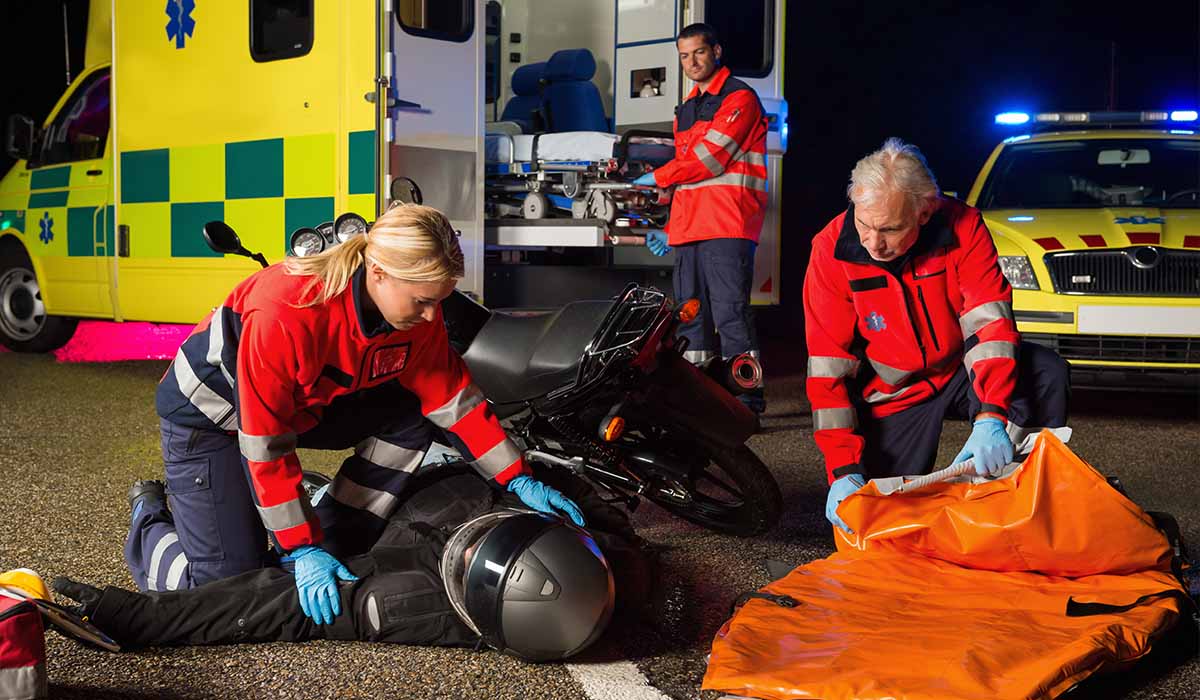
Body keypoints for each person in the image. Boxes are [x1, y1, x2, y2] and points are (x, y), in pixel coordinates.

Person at [126, 203, 585, 628]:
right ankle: (149, 515)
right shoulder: (286, 312)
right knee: (224, 587)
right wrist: (301, 548)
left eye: (439, 301)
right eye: (421, 302)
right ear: (379, 273)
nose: (431, 318)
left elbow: (453, 400)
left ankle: (334, 521)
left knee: (410, 413)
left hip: (302, 408)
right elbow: (265, 442)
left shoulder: (415, 315)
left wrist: (516, 476)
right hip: (211, 418)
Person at [58, 467, 653, 661]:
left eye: (472, 563)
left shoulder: (410, 604)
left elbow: (267, 605)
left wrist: (130, 617)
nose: (466, 549)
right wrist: (534, 482)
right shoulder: (589, 554)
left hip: (373, 541)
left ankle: (147, 514)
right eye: (488, 540)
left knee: (202, 578)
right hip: (405, 483)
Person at [803, 138, 1070, 533]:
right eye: (864, 224)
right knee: (883, 521)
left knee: (1046, 372)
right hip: (894, 394)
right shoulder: (829, 250)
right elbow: (828, 368)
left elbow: (990, 328)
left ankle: (1018, 496)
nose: (873, 243)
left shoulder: (964, 226)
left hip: (960, 371)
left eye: (890, 229)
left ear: (924, 212)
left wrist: (991, 416)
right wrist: (842, 468)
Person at [633, 23, 770, 414]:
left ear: (716, 51)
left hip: (728, 221)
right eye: (683, 56)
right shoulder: (687, 107)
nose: (691, 62)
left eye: (699, 52)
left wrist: (658, 176)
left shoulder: (739, 97)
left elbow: (710, 160)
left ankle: (748, 396)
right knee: (690, 315)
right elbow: (686, 176)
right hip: (692, 225)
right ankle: (703, 395)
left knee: (730, 313)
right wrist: (669, 225)